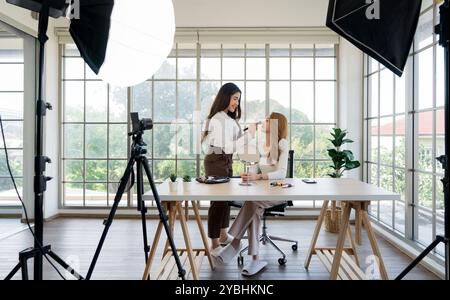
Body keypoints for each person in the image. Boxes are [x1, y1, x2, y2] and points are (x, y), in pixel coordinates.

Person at [213, 112, 289, 276]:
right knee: (254, 205)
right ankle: (255, 259)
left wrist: (258, 176)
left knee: (253, 202)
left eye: (268, 120)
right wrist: (249, 174)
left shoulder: (282, 143)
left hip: (278, 191)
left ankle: (235, 244)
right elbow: (257, 167)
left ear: (277, 125)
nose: (264, 122)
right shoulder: (264, 144)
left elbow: (282, 173)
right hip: (262, 193)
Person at [202, 82, 257, 255]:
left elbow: (234, 143)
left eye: (238, 100)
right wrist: (249, 135)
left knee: (224, 200)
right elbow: (226, 147)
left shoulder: (228, 118)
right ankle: (214, 244)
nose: (236, 103)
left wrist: (247, 133)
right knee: (217, 203)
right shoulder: (218, 118)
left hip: (226, 161)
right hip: (217, 160)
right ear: (225, 97)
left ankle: (224, 235)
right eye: (234, 98)